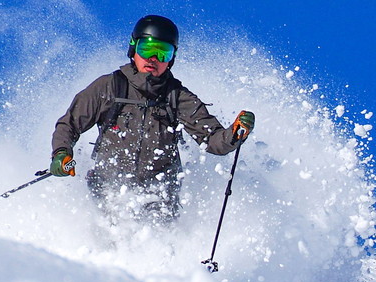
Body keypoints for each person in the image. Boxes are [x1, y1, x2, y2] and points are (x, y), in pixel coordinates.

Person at [49, 15, 255, 225]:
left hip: (159, 195)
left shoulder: (177, 97)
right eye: (147, 49)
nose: (153, 59)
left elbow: (213, 140)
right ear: (133, 49)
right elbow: (70, 124)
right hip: (107, 189)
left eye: (162, 53)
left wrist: (234, 134)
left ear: (171, 59)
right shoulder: (110, 87)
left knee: (154, 238)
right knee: (105, 237)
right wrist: (62, 154)